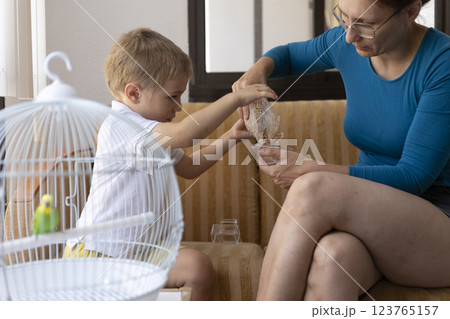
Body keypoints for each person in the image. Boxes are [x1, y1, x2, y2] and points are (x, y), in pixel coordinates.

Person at [233, 0, 450, 300]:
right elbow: (288, 55)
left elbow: (413, 177)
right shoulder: (347, 42)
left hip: (438, 228)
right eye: (343, 17)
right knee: (332, 258)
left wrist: (314, 170)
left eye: (365, 24)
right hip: (374, 223)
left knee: (313, 187)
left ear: (411, 11)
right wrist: (258, 70)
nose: (349, 35)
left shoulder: (443, 63)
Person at [65, 28, 277, 300]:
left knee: (197, 267)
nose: (179, 107)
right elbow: (186, 134)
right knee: (194, 267)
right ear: (133, 93)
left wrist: (231, 137)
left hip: (136, 251)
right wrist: (235, 98)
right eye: (172, 96)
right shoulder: (121, 127)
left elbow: (189, 167)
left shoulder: (153, 134)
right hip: (97, 256)